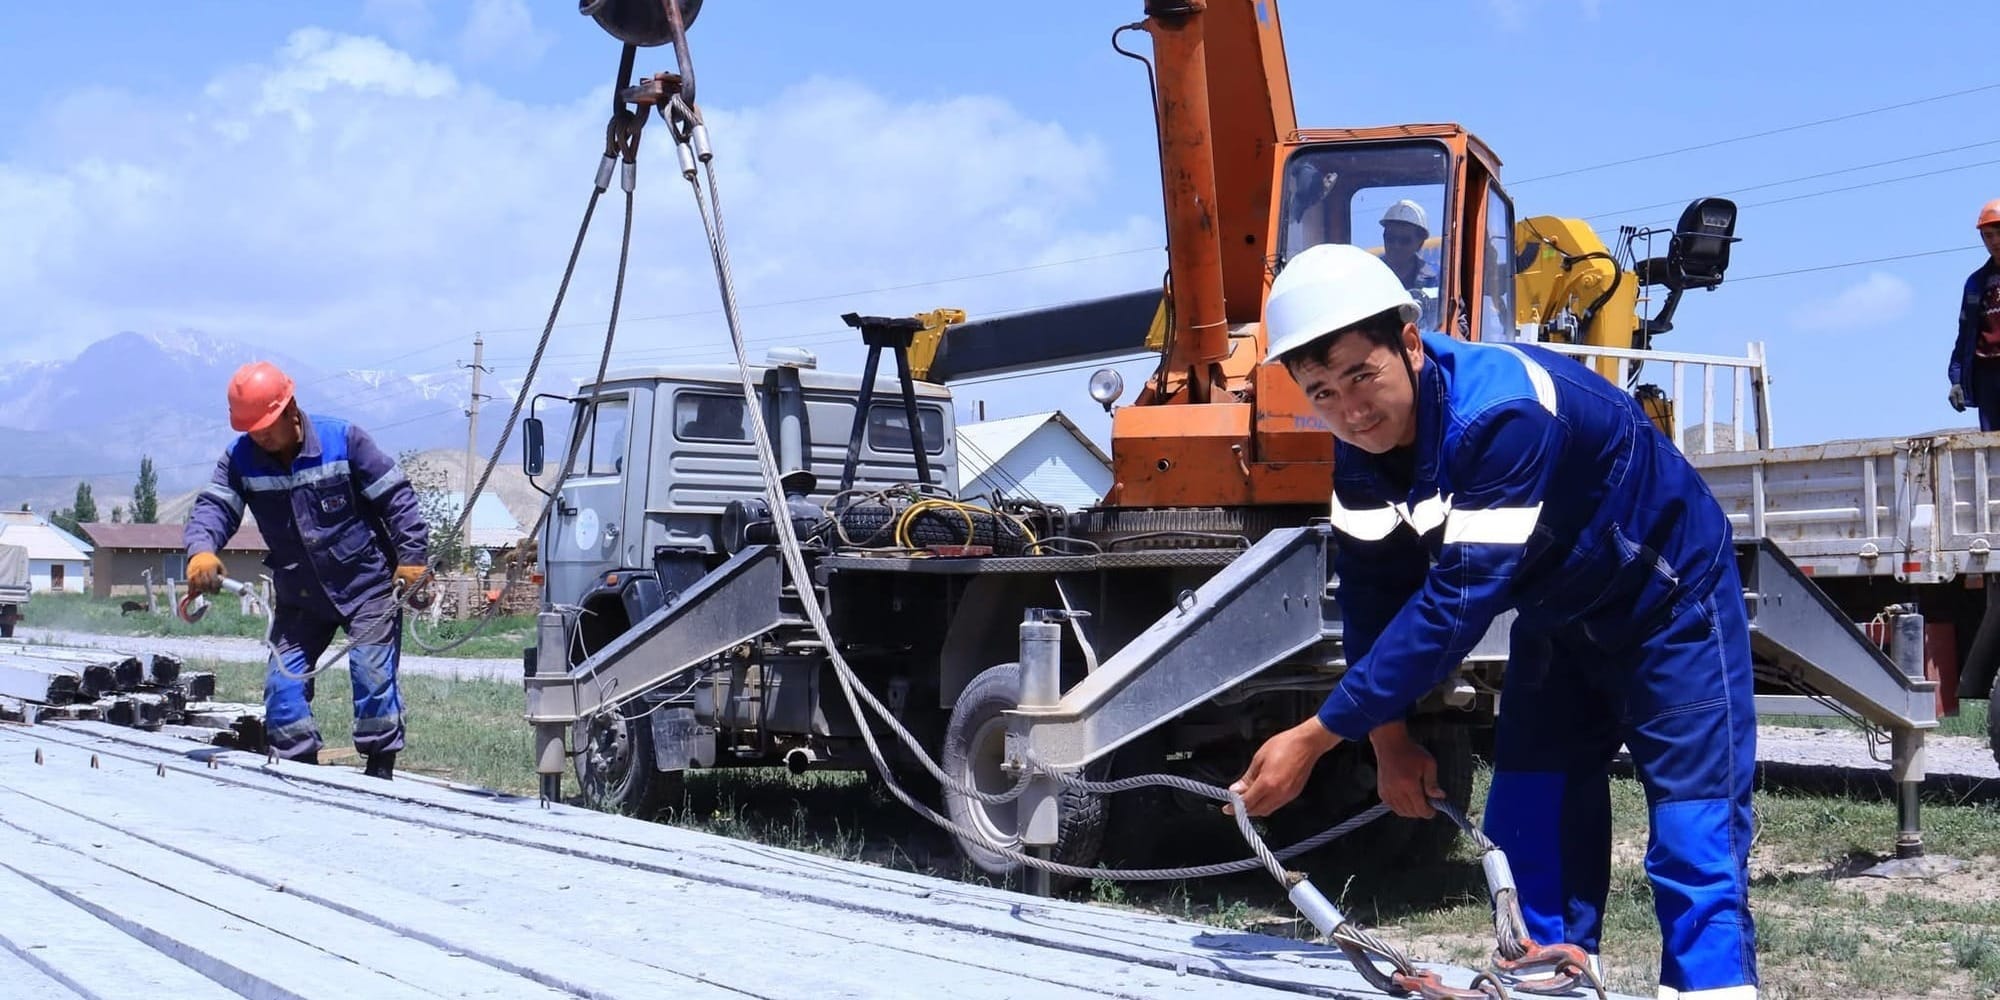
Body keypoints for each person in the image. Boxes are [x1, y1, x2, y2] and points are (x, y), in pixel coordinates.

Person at [1230, 243, 1759, 998]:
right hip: (1559, 616)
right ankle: (1551, 982)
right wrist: (1388, 741)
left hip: (1668, 605)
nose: (1349, 410)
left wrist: (1315, 739)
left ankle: (1714, 990)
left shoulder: (1502, 411)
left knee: (1692, 832)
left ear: (1409, 343)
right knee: (1528, 819)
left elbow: (1453, 606)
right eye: (1320, 391)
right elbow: (1375, 603)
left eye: (1360, 375)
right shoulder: (1358, 456)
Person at [184, 361, 429, 780]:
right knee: (283, 689)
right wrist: (201, 551)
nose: (259, 436)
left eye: (266, 426)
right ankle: (301, 775)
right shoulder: (241, 459)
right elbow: (215, 507)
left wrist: (412, 559)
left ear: (291, 409)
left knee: (371, 674)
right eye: (251, 429)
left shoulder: (344, 440)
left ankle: (380, 771)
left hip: (367, 587)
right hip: (300, 596)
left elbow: (397, 499)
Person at [1948, 198, 2000, 429]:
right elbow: (1965, 336)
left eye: (1999, 233)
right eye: (1988, 236)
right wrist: (1957, 380)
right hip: (1987, 374)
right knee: (1992, 450)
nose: (1995, 241)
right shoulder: (1976, 283)